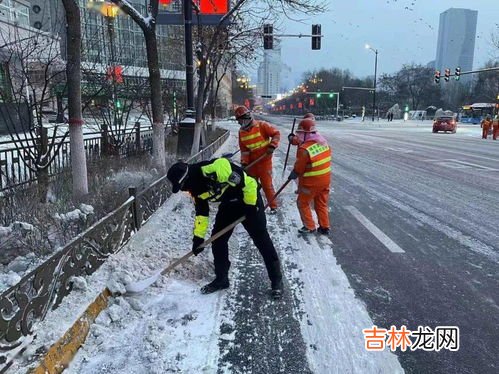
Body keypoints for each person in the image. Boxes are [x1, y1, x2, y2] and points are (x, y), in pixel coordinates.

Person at [166, 158, 283, 298]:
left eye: (183, 186)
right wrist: (198, 238)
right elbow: (202, 213)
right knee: (218, 241)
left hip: (248, 197)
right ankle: (221, 279)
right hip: (229, 204)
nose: (185, 190)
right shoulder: (195, 189)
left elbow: (247, 184)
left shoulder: (215, 168)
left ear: (187, 179)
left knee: (261, 239)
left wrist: (251, 206)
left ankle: (276, 280)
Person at [287, 118, 332, 235]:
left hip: (311, 183)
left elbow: (299, 168)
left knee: (302, 203)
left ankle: (309, 226)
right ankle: (324, 226)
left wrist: (294, 173)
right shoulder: (323, 142)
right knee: (321, 203)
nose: (299, 136)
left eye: (301, 133)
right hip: (325, 181)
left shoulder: (304, 149)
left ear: (307, 134)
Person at [235, 106, 280, 213]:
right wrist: (244, 163)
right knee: (251, 186)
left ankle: (273, 206)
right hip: (252, 163)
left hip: (265, 161)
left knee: (267, 185)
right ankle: (253, 205)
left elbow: (276, 134)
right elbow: (244, 150)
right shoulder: (241, 132)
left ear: (246, 118)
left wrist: (272, 146)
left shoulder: (262, 125)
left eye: (240, 120)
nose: (239, 123)